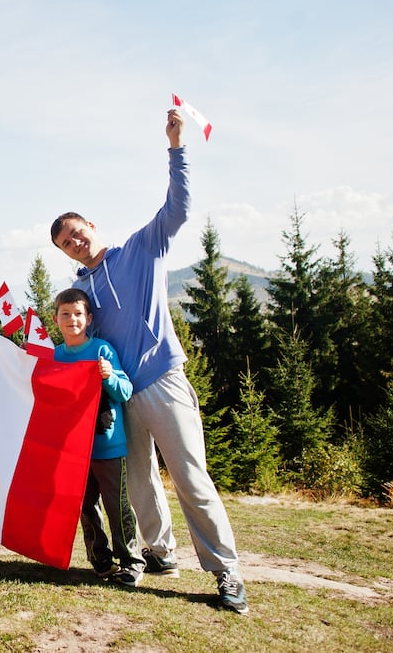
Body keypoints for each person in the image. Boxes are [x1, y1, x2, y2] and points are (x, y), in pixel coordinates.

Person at [48, 109, 249, 615]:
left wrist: (176, 148)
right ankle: (161, 553)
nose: (74, 242)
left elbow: (177, 208)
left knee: (190, 477)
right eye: (64, 242)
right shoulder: (82, 293)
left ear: (91, 225)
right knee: (139, 481)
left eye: (76, 232)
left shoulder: (142, 247)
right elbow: (71, 345)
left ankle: (226, 573)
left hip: (163, 379)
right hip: (120, 394)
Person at [50, 288, 143, 587]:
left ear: (88, 318)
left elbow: (125, 391)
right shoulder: (56, 356)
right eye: (66, 314)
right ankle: (100, 559)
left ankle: (131, 562)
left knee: (117, 506)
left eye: (78, 314)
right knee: (86, 506)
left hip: (108, 445)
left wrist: (109, 376)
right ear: (56, 319)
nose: (72, 319)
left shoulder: (103, 350)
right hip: (74, 450)